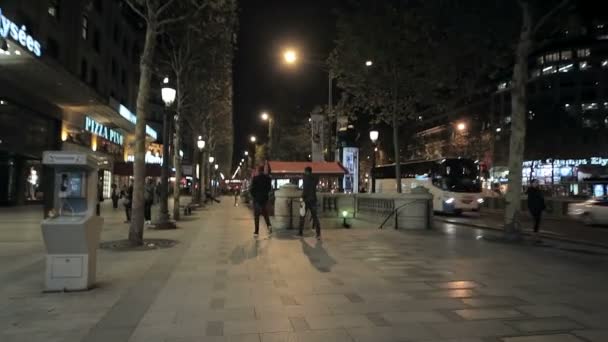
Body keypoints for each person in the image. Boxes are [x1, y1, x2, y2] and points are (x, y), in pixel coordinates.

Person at [299, 166, 321, 239]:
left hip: (306, 200)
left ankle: (300, 232)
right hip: (313, 200)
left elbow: (305, 190)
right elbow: (316, 181)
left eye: (305, 172)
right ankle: (318, 233)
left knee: (302, 216)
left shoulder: (305, 178)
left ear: (306, 171)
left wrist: (302, 197)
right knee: (315, 217)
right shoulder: (314, 179)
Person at [250, 166, 272, 237]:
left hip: (257, 199)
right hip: (264, 199)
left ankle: (256, 232)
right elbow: (269, 188)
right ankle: (269, 225)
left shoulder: (255, 178)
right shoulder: (268, 178)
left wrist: (254, 196)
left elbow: (252, 189)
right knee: (265, 213)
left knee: (256, 216)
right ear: (263, 171)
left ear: (258, 171)